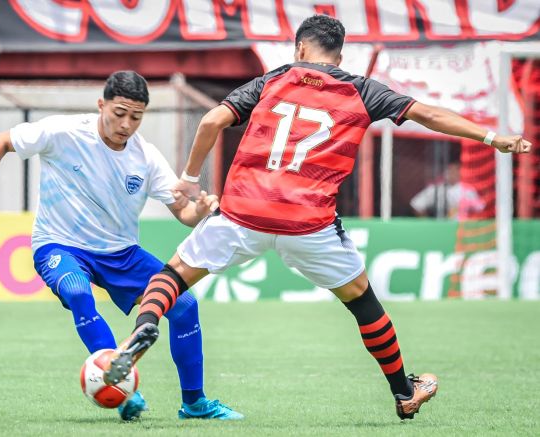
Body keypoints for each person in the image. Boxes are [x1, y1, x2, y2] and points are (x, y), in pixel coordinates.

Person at [104, 16, 533, 420]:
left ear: (299, 48)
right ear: (340, 57)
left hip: (243, 212)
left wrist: (190, 177)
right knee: (363, 302)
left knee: (173, 276)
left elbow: (213, 120)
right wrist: (493, 137)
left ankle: (142, 329)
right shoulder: (362, 90)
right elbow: (429, 115)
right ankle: (405, 392)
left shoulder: (273, 79)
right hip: (308, 224)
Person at [0, 71, 242, 421]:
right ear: (101, 105)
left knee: (184, 304)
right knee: (77, 291)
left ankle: (194, 403)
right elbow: (1, 141)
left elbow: (183, 211)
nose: (126, 124)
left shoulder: (145, 157)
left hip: (120, 252)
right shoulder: (64, 132)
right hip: (60, 244)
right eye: (119, 113)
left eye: (136, 117)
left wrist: (202, 209)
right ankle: (118, 388)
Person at [410, 162, 485, 219]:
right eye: (449, 170)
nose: (451, 174)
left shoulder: (467, 189)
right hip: (442, 227)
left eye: (454, 171)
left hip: (463, 228)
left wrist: (466, 205)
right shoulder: (437, 189)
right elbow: (416, 204)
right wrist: (427, 224)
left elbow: (480, 208)